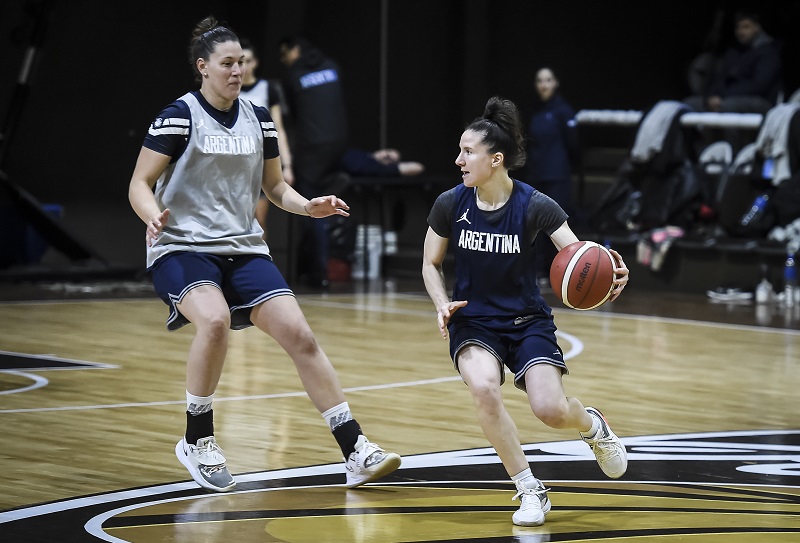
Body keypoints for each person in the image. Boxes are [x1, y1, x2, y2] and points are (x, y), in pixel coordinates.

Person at [127, 16, 400, 494]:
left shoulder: (260, 118)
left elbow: (274, 187)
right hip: (182, 246)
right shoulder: (179, 115)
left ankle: (355, 449)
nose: (237, 71)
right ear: (203, 67)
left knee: (301, 335)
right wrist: (152, 214)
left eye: (242, 62)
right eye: (227, 63)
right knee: (212, 321)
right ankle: (198, 439)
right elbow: (138, 183)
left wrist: (306, 205)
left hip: (242, 247)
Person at [421, 96, 629, 527]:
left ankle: (593, 426)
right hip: (473, 318)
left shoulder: (535, 204)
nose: (458, 159)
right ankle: (529, 489)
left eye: (468, 152)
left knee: (550, 410)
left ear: (495, 160)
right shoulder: (450, 203)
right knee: (483, 386)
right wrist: (442, 303)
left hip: (525, 320)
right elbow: (430, 263)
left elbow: (578, 255)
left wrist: (608, 273)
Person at [278, 35, 349, 289]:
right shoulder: (332, 66)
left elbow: (294, 119)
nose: (284, 61)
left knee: (311, 204)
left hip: (312, 149)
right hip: (340, 144)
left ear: (293, 50)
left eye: (284, 55)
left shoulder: (293, 75)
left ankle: (319, 274)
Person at [683, 11, 782, 152]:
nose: (741, 32)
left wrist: (723, 98)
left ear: (757, 28)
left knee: (728, 107)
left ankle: (733, 155)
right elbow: (720, 79)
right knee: (689, 105)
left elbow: (759, 85)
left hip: (759, 101)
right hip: (727, 98)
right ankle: (697, 155)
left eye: (746, 27)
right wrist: (710, 98)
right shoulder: (733, 52)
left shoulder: (768, 52)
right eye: (738, 27)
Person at [524, 67, 579, 287]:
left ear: (555, 83)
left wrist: (565, 167)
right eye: (539, 80)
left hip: (557, 176)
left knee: (556, 226)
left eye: (548, 80)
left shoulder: (563, 111)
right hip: (536, 176)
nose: (544, 85)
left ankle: (562, 273)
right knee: (532, 226)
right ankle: (537, 272)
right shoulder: (535, 111)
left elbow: (573, 145)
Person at [238, 37, 293, 240]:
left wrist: (287, 166)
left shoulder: (267, 89)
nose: (244, 66)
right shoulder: (227, 90)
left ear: (256, 62)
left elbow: (278, 128)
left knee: (258, 222)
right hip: (233, 163)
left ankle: (258, 266)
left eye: (248, 61)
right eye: (239, 61)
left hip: (260, 164)